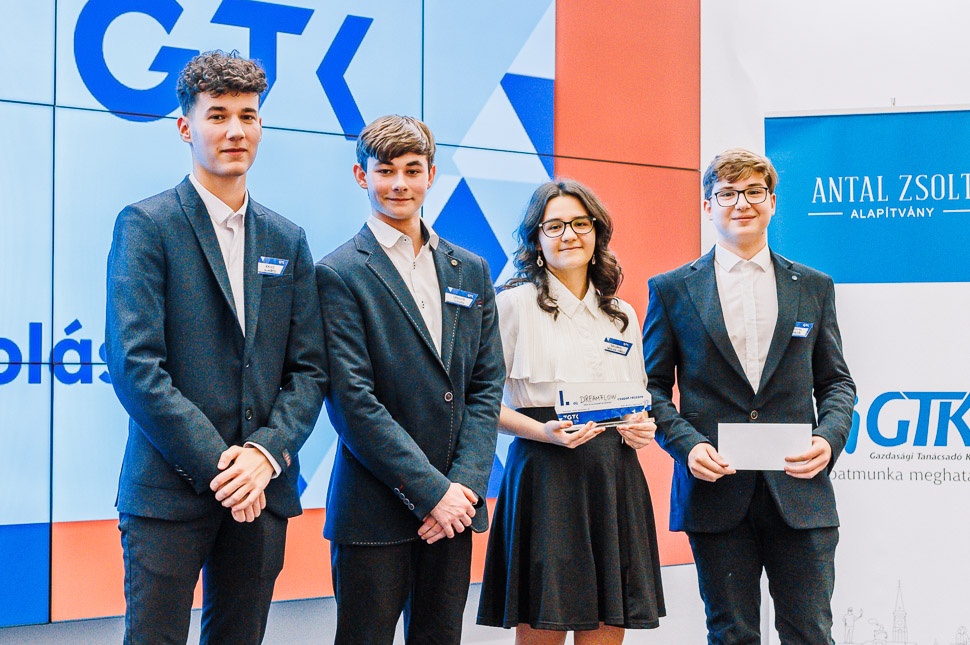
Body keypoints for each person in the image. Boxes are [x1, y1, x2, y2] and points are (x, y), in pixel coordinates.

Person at [105, 50, 327, 644]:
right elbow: (134, 365)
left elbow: (309, 371)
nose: (235, 131)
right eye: (218, 115)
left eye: (248, 116)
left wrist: (264, 456)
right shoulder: (146, 224)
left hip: (263, 490)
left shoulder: (288, 238)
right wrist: (224, 468)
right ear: (186, 127)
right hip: (169, 490)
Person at [642, 148, 856, 644]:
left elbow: (837, 383)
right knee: (731, 635)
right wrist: (687, 446)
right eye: (727, 194)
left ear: (773, 202)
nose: (742, 203)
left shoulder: (814, 287)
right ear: (708, 206)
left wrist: (828, 439)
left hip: (800, 492)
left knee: (810, 632)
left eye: (754, 192)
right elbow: (651, 388)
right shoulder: (672, 290)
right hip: (715, 490)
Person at [316, 114, 505, 645]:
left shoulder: (471, 269)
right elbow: (353, 402)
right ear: (362, 176)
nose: (399, 183)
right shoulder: (338, 273)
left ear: (431, 175)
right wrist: (431, 494)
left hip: (455, 510)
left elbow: (485, 387)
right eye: (385, 171)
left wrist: (463, 488)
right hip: (374, 511)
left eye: (412, 170)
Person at [477, 180, 666, 644]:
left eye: (581, 224)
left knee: (609, 620)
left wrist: (642, 429)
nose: (569, 235)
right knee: (544, 619)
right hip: (545, 475)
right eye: (555, 226)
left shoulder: (621, 312)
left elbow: (639, 398)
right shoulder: (513, 304)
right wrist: (543, 432)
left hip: (613, 476)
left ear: (597, 232)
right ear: (536, 239)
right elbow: (480, 401)